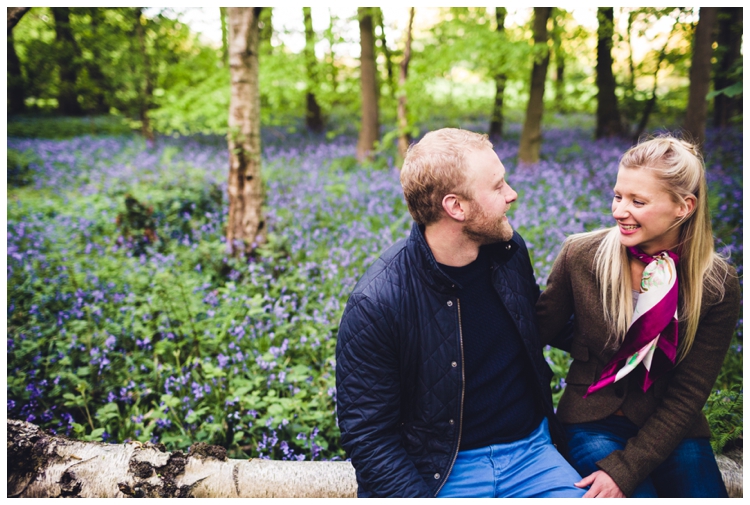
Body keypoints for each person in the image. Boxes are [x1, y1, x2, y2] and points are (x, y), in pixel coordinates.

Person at [335, 128, 585, 498]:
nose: (512, 194)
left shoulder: (508, 251)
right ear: (456, 207)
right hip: (443, 469)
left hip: (532, 453)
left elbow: (537, 319)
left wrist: (638, 329)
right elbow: (369, 436)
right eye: (498, 187)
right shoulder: (378, 302)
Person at [536, 135, 741, 498]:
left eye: (638, 201)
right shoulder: (580, 255)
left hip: (672, 428)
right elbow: (535, 332)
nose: (618, 211)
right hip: (590, 422)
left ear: (684, 207)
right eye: (618, 196)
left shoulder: (717, 284)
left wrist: (627, 470)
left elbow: (688, 395)